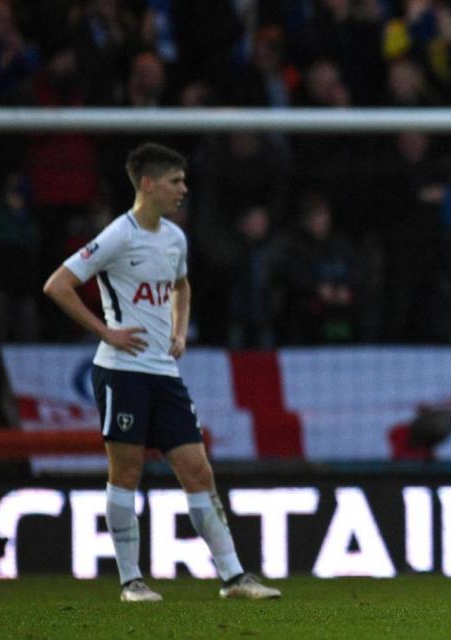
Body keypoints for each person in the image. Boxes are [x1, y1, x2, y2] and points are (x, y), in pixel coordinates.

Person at [43, 143, 280, 602]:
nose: (183, 190)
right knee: (126, 471)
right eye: (175, 181)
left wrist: (180, 328)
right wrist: (105, 332)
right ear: (148, 184)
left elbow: (181, 283)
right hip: (121, 371)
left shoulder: (174, 237)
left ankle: (233, 578)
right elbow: (58, 285)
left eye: (184, 181)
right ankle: (131, 581)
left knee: (198, 470)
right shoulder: (117, 235)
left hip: (163, 373)